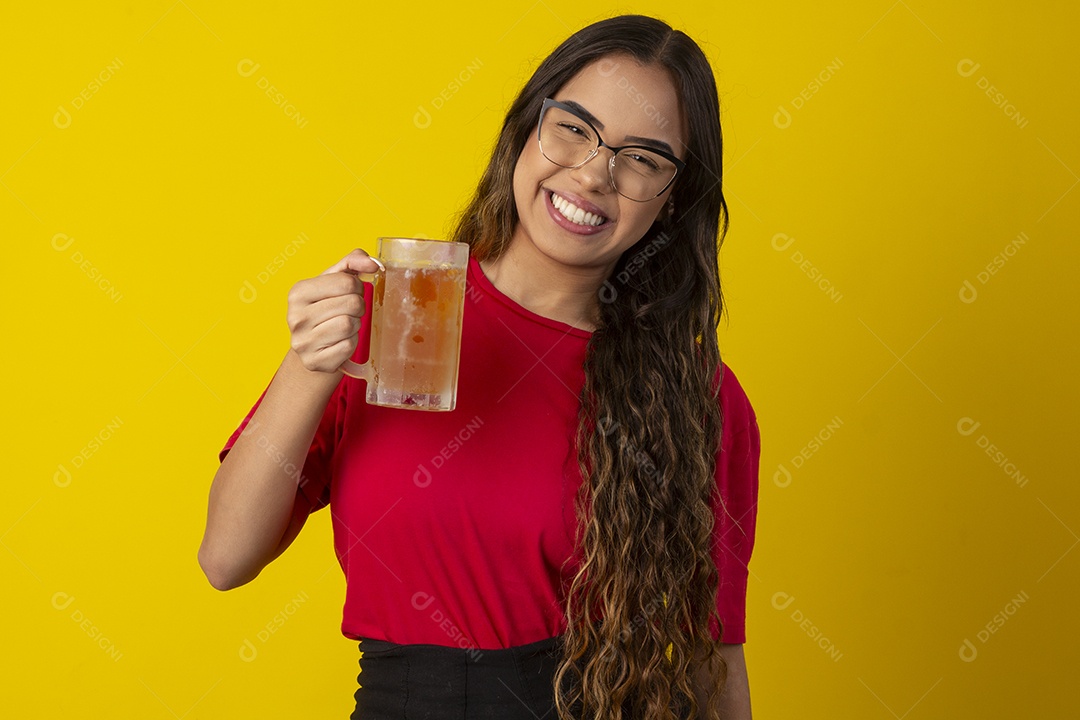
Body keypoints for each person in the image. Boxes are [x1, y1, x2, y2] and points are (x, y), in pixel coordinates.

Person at [199, 13, 760, 720]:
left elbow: (712, 657)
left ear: (672, 197)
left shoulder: (701, 398)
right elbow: (226, 558)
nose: (593, 174)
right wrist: (310, 365)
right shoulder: (396, 322)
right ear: (527, 127)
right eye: (573, 128)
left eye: (642, 158)